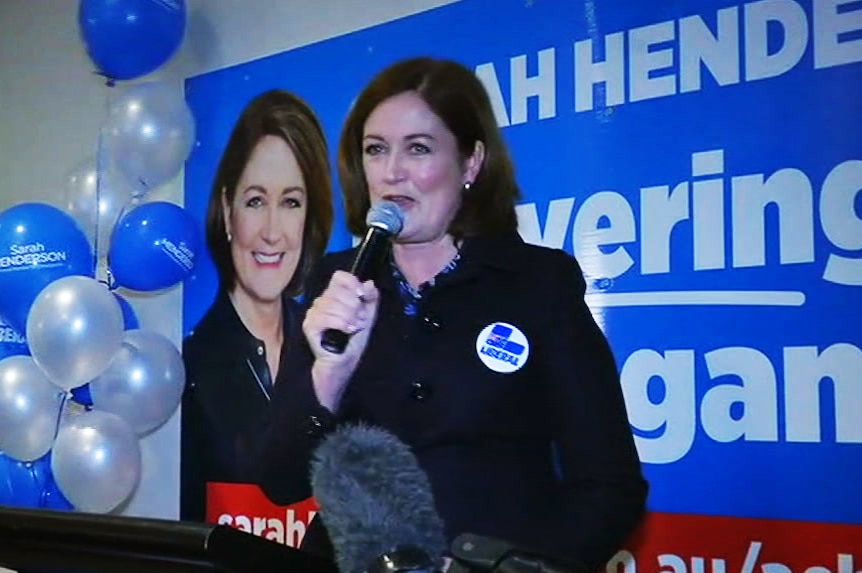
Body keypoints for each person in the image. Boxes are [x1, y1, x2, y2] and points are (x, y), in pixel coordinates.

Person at [256, 57, 648, 571]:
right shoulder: (334, 286)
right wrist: (328, 375)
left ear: (470, 163)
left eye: (418, 149)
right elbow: (278, 479)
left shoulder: (536, 284)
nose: (392, 171)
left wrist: (517, 567)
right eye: (376, 150)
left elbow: (609, 483)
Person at [180, 89, 333, 522]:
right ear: (228, 213)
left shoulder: (333, 348)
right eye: (255, 201)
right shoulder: (185, 367)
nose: (271, 232)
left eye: (290, 202)